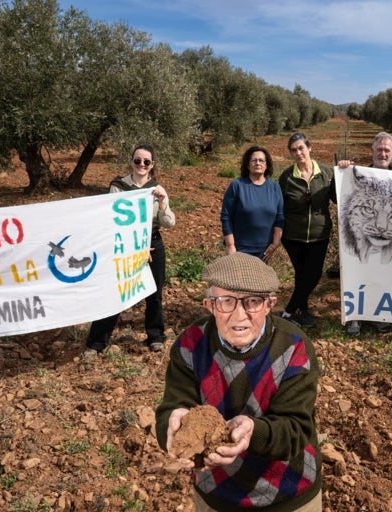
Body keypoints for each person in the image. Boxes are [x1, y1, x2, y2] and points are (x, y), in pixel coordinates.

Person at [155, 252, 322, 512]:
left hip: (288, 494)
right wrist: (173, 422)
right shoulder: (191, 344)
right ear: (209, 305)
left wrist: (253, 433)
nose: (239, 314)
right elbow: (173, 406)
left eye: (252, 302)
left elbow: (296, 428)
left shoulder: (294, 347)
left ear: (270, 305)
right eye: (226, 302)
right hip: (217, 496)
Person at [83, 145, 175, 358]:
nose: (141, 165)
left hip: (153, 244)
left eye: (146, 162)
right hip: (125, 246)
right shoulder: (118, 187)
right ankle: (97, 342)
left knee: (154, 293)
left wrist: (162, 203)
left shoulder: (157, 189)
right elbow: (112, 221)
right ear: (131, 162)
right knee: (117, 291)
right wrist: (136, 247)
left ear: (152, 165)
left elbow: (169, 223)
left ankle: (155, 337)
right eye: (138, 160)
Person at [336, 133, 392, 335]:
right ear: (372, 151)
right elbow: (336, 195)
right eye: (379, 149)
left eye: (387, 150)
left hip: (387, 239)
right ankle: (355, 318)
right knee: (357, 274)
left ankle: (379, 316)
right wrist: (342, 171)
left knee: (383, 276)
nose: (383, 153)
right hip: (361, 239)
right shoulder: (357, 174)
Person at [277, 133, 335, 329]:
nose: (298, 153)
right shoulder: (286, 177)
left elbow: (338, 198)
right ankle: (304, 311)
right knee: (301, 274)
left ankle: (288, 311)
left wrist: (345, 172)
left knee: (314, 274)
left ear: (309, 148)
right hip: (293, 236)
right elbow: (279, 207)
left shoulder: (326, 173)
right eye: (294, 150)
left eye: (301, 148)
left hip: (320, 235)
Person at [221, 146, 284, 261]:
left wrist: (274, 244)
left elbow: (279, 218)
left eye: (261, 160)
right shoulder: (237, 185)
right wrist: (230, 245)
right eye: (254, 160)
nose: (257, 163)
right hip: (240, 250)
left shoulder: (275, 187)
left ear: (267, 165)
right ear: (247, 164)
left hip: (264, 251)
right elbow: (226, 216)